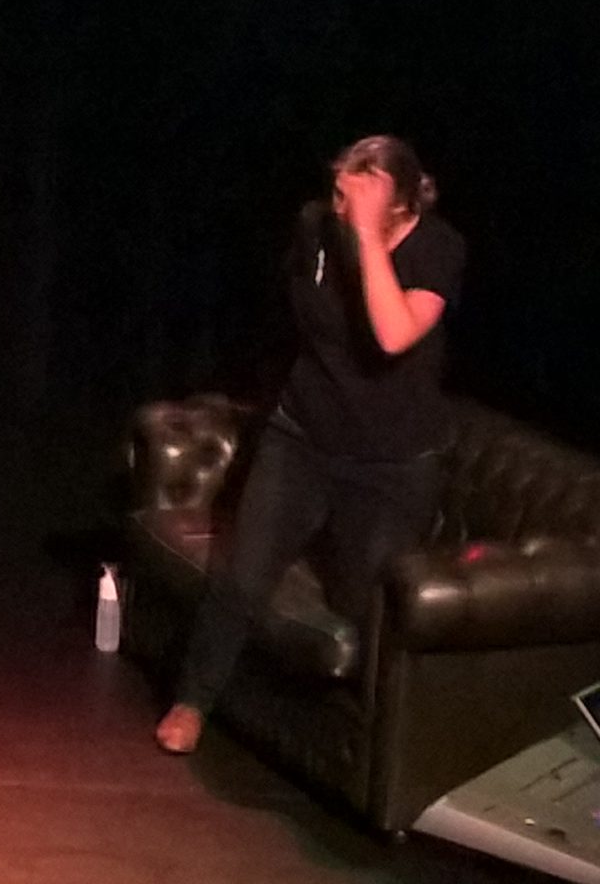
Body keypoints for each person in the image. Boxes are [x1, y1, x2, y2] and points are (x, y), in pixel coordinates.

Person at [155, 136, 465, 755]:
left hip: (391, 465)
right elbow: (305, 317)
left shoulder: (437, 246)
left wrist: (367, 236)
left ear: (402, 205)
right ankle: (193, 702)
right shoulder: (314, 227)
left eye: (362, 195)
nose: (343, 204)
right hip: (301, 439)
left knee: (359, 600)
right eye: (341, 190)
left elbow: (393, 334)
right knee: (242, 574)